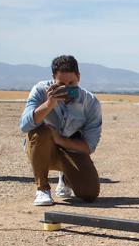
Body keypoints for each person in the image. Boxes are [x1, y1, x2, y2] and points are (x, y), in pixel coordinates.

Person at [19, 55, 102, 206]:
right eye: (61, 84)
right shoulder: (40, 91)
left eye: (72, 83)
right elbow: (24, 126)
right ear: (53, 79)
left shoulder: (90, 103)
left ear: (79, 77)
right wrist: (49, 104)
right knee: (42, 132)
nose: (67, 88)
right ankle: (42, 189)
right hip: (42, 149)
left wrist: (60, 140)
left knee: (89, 193)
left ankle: (66, 176)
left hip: (70, 150)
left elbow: (89, 146)